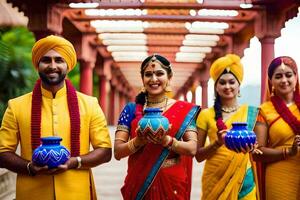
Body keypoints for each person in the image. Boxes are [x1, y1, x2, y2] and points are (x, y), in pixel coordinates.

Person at [0, 35, 112, 200]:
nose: (53, 66)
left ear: (68, 65)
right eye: (46, 60)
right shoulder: (16, 106)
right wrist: (30, 167)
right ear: (38, 64)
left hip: (77, 194)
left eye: (59, 60)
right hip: (32, 194)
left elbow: (105, 151)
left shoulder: (90, 104)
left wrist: (75, 162)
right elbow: (2, 152)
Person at [114, 54, 200, 200]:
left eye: (159, 73)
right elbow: (117, 152)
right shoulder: (131, 109)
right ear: (142, 79)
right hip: (139, 180)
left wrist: (166, 140)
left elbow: (192, 149)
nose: (154, 79)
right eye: (148, 74)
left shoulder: (183, 109)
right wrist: (138, 141)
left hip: (172, 182)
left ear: (169, 77)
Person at [195, 54, 259, 200]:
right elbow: (198, 156)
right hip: (215, 178)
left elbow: (258, 148)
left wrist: (254, 148)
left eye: (232, 82)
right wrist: (217, 143)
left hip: (244, 177)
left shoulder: (252, 113)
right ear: (216, 87)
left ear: (239, 85)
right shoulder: (205, 115)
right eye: (222, 83)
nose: (227, 86)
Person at [253, 56, 300, 200]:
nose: (284, 80)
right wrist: (288, 152)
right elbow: (257, 152)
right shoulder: (264, 111)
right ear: (271, 81)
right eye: (278, 76)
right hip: (280, 174)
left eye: (288, 75)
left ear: (296, 77)